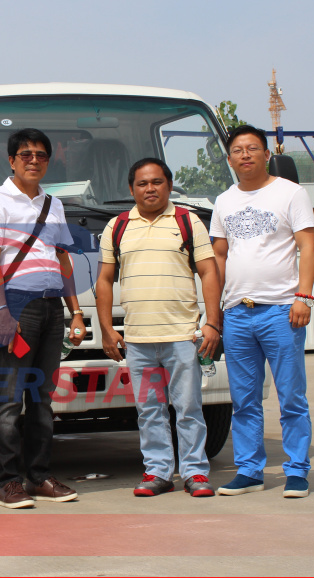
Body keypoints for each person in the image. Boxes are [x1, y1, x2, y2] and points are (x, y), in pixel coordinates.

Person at [95, 158, 223, 498]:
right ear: (131, 188)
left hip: (182, 337)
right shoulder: (118, 226)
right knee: (149, 411)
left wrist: (212, 322)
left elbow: (209, 272)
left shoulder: (186, 221)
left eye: (156, 182)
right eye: (142, 183)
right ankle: (158, 471)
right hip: (138, 341)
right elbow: (105, 279)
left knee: (189, 408)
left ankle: (195, 472)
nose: (149, 188)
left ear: (168, 185)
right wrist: (107, 328)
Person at [0, 128, 85, 509]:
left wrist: (76, 312)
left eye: (40, 154)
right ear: (11, 160)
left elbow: (63, 259)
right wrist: (3, 311)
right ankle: (8, 482)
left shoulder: (53, 204)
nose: (33, 160)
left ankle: (39, 476)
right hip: (17, 305)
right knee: (8, 398)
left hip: (52, 305)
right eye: (25, 154)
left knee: (42, 397)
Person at [209, 124, 314, 499]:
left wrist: (304, 296)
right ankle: (250, 470)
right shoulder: (223, 201)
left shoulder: (291, 193)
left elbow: (307, 245)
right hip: (238, 311)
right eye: (238, 150)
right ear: (229, 159)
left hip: (282, 311)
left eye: (253, 148)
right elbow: (219, 256)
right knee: (243, 399)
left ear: (267, 154)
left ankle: (297, 471)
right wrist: (216, 309)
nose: (245, 155)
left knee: (291, 396)